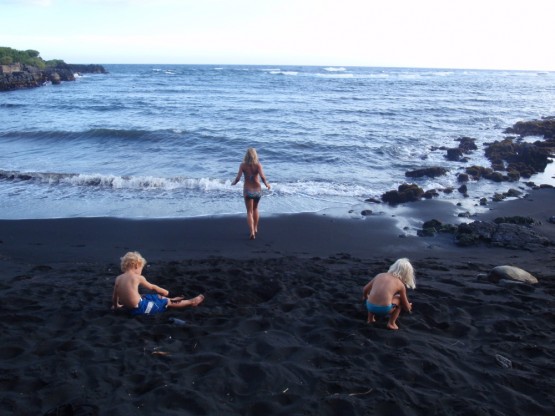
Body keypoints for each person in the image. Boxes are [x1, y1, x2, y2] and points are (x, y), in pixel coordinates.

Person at [112, 251, 204, 316]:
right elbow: (152, 287)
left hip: (130, 308)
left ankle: (167, 298)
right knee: (166, 302)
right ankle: (191, 302)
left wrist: (116, 306)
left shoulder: (118, 278)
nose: (141, 271)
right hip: (140, 309)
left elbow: (115, 296)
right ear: (136, 265)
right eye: (141, 268)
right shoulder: (138, 277)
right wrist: (165, 292)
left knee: (149, 296)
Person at [362, 258, 415, 330]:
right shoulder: (400, 284)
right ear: (406, 274)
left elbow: (365, 289)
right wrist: (409, 307)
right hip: (384, 310)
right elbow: (406, 306)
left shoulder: (379, 275)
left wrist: (366, 297)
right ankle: (391, 323)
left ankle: (370, 319)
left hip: (369, 306)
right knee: (399, 298)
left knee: (373, 295)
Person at [231, 147, 271, 239]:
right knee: (255, 209)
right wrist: (267, 185)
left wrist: (233, 183)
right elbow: (263, 177)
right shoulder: (258, 165)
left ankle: (252, 231)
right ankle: (256, 228)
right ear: (255, 155)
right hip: (257, 190)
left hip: (247, 191)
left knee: (249, 212)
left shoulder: (242, 165)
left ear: (246, 155)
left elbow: (238, 178)